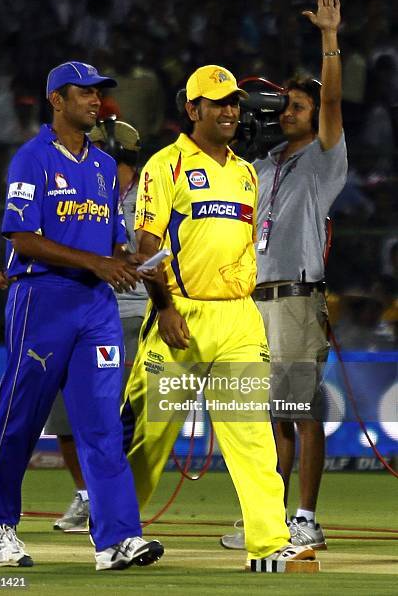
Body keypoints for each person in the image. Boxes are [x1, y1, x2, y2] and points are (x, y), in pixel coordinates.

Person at [123, 63, 316, 571]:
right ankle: (117, 533)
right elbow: (146, 246)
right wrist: (164, 308)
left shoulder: (246, 172)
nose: (231, 111)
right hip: (179, 320)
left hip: (236, 320)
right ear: (193, 110)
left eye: (234, 102)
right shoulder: (165, 166)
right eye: (218, 103)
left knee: (252, 433)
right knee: (150, 437)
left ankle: (269, 545)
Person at [0, 61, 164, 571]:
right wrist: (98, 263)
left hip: (97, 307)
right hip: (43, 301)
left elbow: (111, 242)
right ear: (57, 99)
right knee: (20, 419)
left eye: (99, 94)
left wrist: (129, 262)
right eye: (85, 93)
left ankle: (116, 540)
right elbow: (22, 238)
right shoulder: (30, 159)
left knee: (102, 424)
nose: (96, 101)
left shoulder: (103, 166)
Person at [221, 0, 347, 551]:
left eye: (294, 107)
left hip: (297, 298)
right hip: (254, 301)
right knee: (269, 417)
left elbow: (331, 108)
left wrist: (328, 39)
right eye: (284, 107)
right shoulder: (262, 164)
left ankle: (305, 517)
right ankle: (269, 516)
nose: (284, 113)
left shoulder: (324, 160)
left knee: (301, 410)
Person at [47, 119, 148, 532]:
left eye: (111, 156)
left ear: (128, 163)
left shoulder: (151, 196)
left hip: (132, 315)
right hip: (79, 307)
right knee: (64, 415)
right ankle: (86, 496)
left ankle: (118, 500)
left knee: (118, 417)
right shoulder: (77, 188)